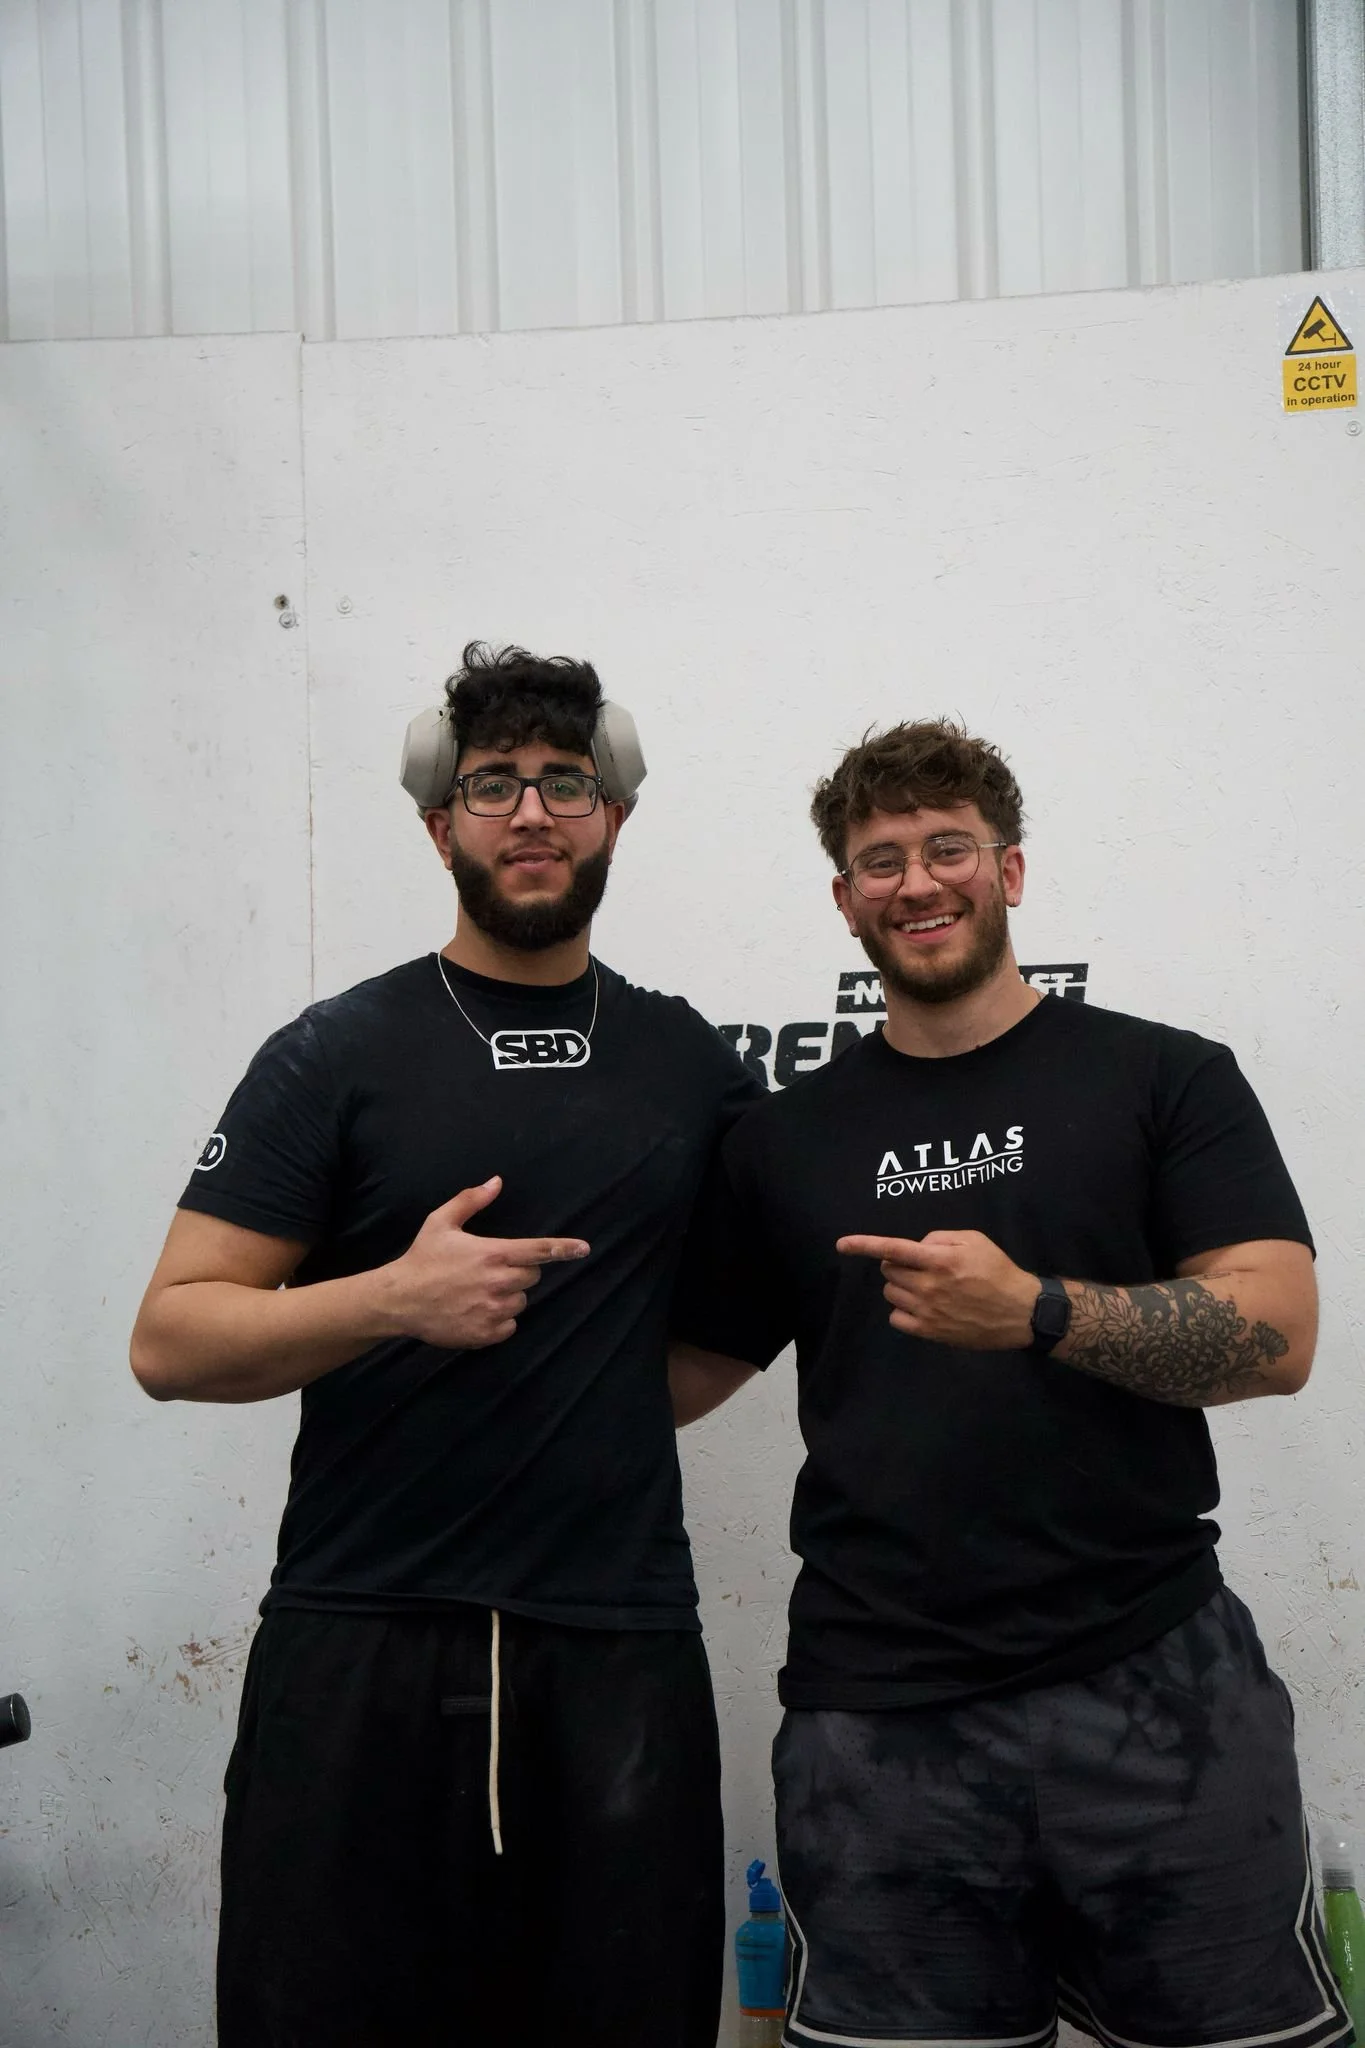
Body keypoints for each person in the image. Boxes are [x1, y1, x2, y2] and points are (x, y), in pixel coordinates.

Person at [669, 719, 1346, 2048]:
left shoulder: (1162, 1078)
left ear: (1012, 870)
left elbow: (1279, 1332)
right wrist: (465, 1338)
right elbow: (685, 1371)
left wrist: (1035, 1311)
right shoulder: (781, 1139)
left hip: (1160, 1698)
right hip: (877, 1727)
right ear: (844, 898)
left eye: (947, 847)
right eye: (881, 860)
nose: (917, 882)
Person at [130, 643, 759, 2048]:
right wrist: (388, 1303)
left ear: (614, 816)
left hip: (615, 1654)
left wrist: (582, 1404)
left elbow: (729, 1333)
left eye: (563, 783)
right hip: (362, 1645)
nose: (530, 811)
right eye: (493, 785)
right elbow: (172, 1337)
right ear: (439, 822)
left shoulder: (694, 1070)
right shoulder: (336, 1053)